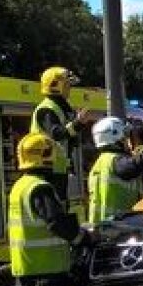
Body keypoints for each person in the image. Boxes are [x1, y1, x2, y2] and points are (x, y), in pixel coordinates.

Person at [8, 132, 90, 286]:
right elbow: (56, 222)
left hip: (26, 268)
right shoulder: (40, 188)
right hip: (46, 271)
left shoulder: (20, 186)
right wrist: (82, 238)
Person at [30, 66, 91, 202]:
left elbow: (68, 139)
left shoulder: (62, 107)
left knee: (61, 206)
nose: (70, 88)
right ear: (55, 85)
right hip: (46, 169)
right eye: (67, 84)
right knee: (56, 206)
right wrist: (78, 123)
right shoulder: (46, 108)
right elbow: (56, 133)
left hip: (57, 168)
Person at [87, 117, 143, 223]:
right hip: (118, 225)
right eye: (124, 137)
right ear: (115, 137)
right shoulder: (114, 159)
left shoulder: (101, 162)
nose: (127, 141)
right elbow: (134, 167)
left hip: (103, 225)